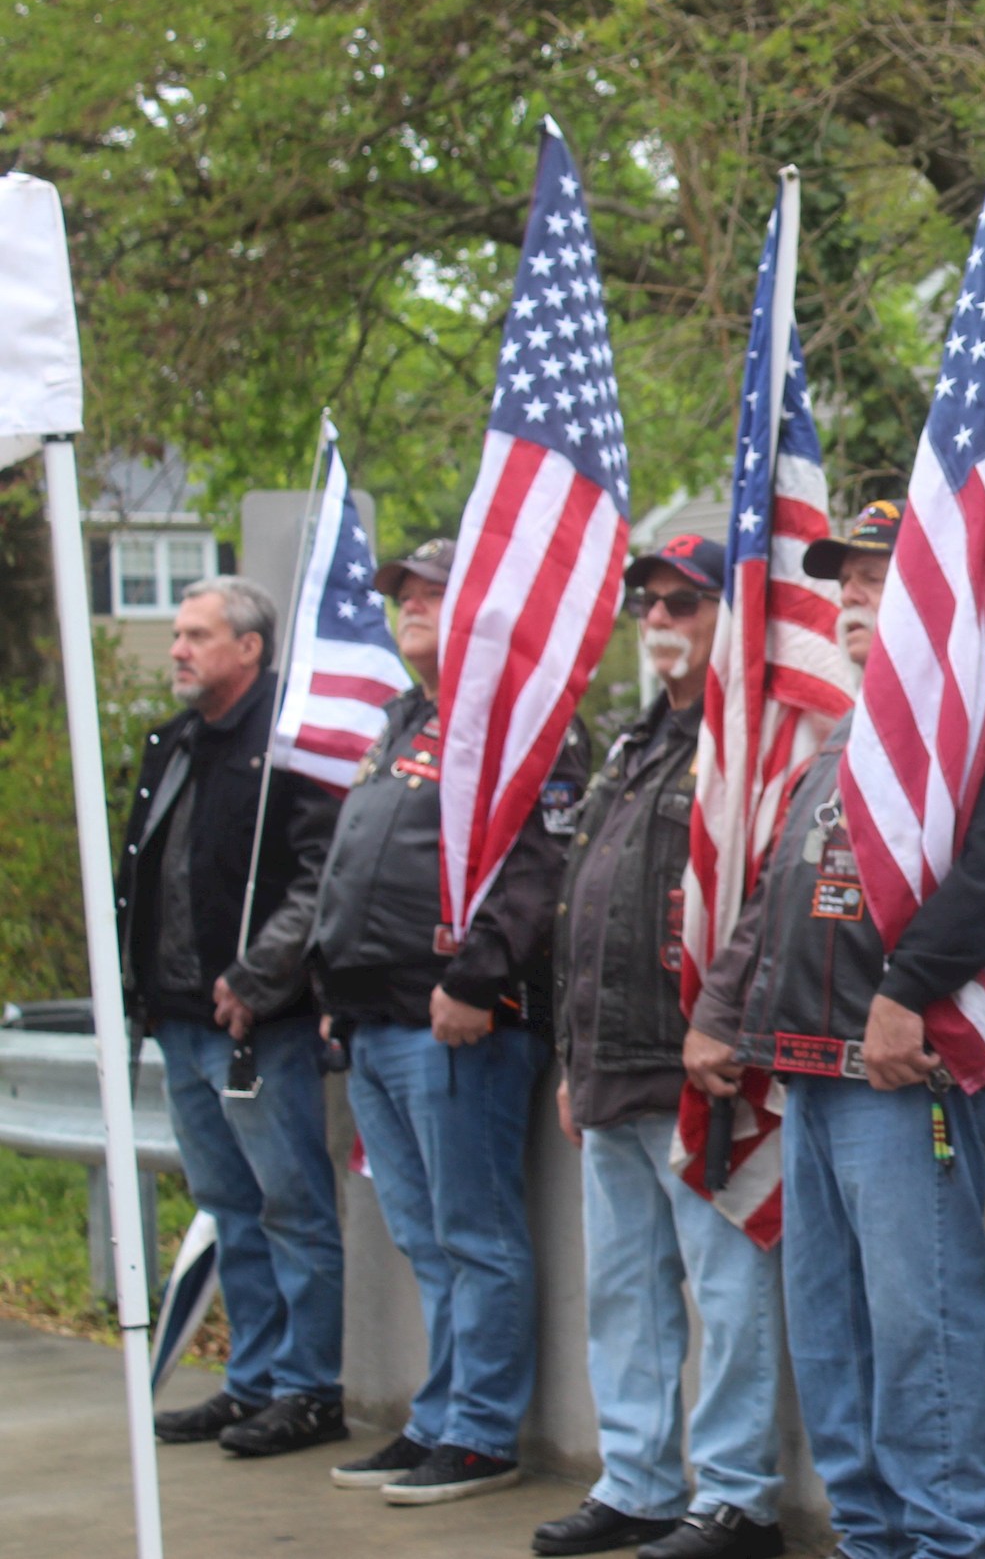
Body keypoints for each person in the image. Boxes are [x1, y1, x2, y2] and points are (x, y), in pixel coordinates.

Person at [682, 499, 985, 1559]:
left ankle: (951, 1544)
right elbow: (777, 894)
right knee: (830, 1333)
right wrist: (720, 1016)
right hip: (810, 1067)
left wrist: (905, 993)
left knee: (916, 1326)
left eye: (876, 575)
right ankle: (870, 1539)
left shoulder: (984, 714)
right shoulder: (846, 728)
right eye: (843, 577)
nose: (849, 594)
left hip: (904, 1070)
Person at [309, 537, 588, 1506]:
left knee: (475, 1233)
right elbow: (352, 868)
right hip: (375, 1019)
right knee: (426, 1238)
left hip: (460, 1021)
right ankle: (437, 1415)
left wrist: (474, 981)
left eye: (435, 591)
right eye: (405, 593)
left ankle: (478, 1432)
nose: (412, 604)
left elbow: (535, 872)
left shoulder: (520, 722)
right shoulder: (403, 721)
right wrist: (330, 995)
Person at [530, 536, 788, 1559]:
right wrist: (567, 1054)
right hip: (609, 1071)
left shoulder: (752, 747)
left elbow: (761, 905)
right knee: (623, 1294)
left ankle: (737, 1499)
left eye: (686, 601)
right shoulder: (632, 748)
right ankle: (636, 1481)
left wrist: (718, 1022)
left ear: (734, 613)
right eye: (648, 603)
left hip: (701, 1067)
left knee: (725, 1296)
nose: (661, 620)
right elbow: (576, 914)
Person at [118, 576, 346, 1457]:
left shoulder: (288, 744)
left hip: (258, 1023)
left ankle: (308, 1388)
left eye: (196, 635)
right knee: (226, 1206)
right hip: (177, 1020)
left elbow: (315, 876)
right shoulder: (175, 743)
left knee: (290, 1207)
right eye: (177, 634)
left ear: (249, 647)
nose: (178, 648)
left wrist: (258, 975)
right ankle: (250, 1383)